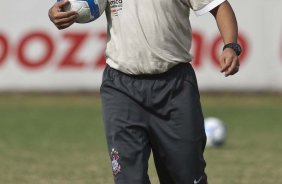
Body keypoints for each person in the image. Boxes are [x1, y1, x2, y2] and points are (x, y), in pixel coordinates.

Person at [48, 0, 241, 183]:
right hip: (121, 88)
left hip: (175, 87)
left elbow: (219, 6)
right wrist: (55, 13)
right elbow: (71, 4)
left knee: (186, 176)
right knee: (129, 179)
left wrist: (230, 46)